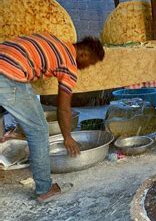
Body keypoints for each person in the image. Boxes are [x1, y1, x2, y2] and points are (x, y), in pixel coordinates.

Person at [0, 33, 105, 202]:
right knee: (39, 131)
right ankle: (44, 189)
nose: (85, 68)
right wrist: (68, 137)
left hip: (4, 62)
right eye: (89, 64)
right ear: (84, 54)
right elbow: (63, 108)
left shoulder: (56, 41)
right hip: (8, 74)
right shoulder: (69, 64)